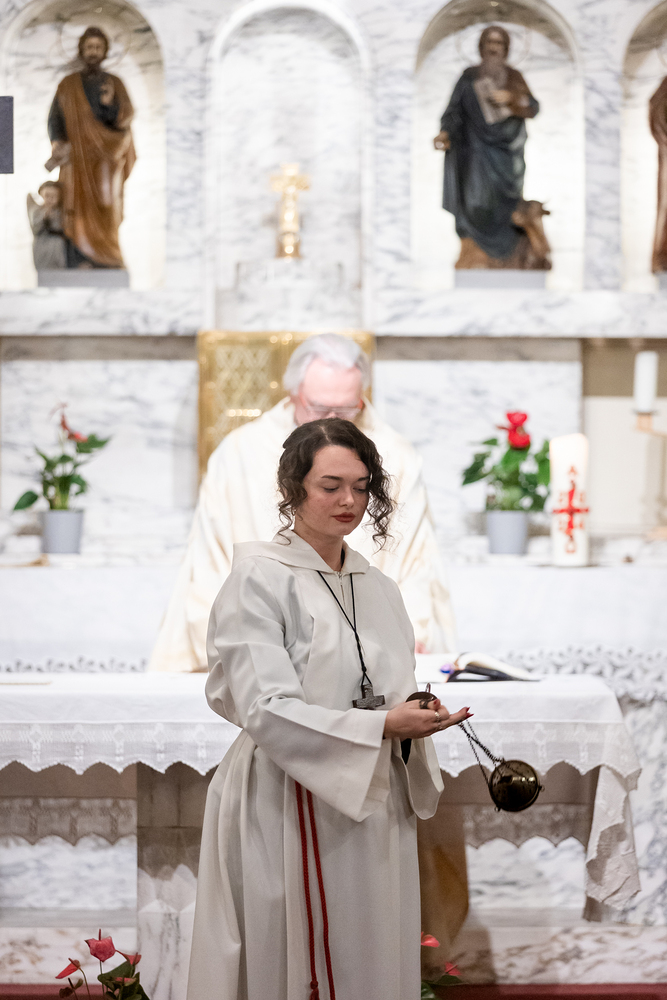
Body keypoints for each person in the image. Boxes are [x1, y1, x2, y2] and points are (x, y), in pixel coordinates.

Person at [186, 418, 472, 1000]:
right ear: (292, 488)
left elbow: (385, 687)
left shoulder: (379, 586)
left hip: (375, 794)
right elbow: (265, 707)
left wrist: (413, 713)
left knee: (372, 947)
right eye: (331, 486)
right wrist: (384, 723)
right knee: (293, 955)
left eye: (362, 487)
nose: (350, 501)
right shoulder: (258, 579)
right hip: (285, 795)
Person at [149, 334, 457, 672]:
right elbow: (211, 557)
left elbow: (416, 557)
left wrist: (405, 635)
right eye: (320, 408)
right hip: (264, 644)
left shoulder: (395, 454)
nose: (334, 419)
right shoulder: (240, 454)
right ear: (293, 393)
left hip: (371, 647)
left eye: (347, 408)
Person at [434, 26, 539, 266]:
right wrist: (445, 132)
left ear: (506, 48)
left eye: (499, 43)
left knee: (506, 206)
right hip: (475, 151)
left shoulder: (514, 77)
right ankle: (473, 250)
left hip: (507, 154)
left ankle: (508, 256)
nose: (494, 48)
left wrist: (512, 98)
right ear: (481, 47)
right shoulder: (469, 77)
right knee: (475, 202)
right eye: (489, 43)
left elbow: (533, 107)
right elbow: (454, 111)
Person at [46, 26, 136, 269]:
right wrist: (57, 142)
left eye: (98, 47)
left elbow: (126, 117)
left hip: (107, 156)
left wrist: (109, 105)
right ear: (81, 51)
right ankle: (78, 259)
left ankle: (108, 258)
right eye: (89, 48)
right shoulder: (68, 85)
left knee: (108, 203)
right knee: (73, 205)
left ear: (104, 52)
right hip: (76, 158)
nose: (93, 52)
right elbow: (55, 118)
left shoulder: (114, 83)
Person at [27, 181, 67, 270]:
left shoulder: (61, 211)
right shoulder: (37, 211)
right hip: (42, 247)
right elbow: (35, 228)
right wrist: (45, 217)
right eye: (47, 195)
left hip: (57, 247)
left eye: (54, 196)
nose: (50, 199)